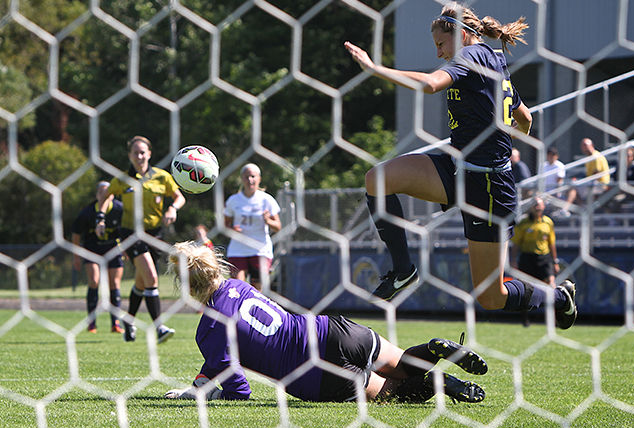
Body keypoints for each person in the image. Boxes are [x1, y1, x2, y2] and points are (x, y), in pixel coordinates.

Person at [344, 2, 577, 329]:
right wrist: (502, 129)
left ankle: (558, 299)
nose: (439, 53)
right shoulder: (493, 59)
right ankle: (403, 270)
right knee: (377, 179)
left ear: (463, 34)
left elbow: (429, 84)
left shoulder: (471, 56)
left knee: (491, 297)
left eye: (440, 44)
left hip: (489, 188)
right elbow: (525, 118)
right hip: (458, 168)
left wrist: (373, 68)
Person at [164, 241, 487, 403]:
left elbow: (239, 390)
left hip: (315, 374)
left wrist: (208, 394)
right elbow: (226, 353)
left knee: (397, 393)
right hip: (332, 330)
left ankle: (443, 384)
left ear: (187, 287)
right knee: (402, 362)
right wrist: (198, 384)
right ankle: (434, 348)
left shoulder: (209, 329)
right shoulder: (242, 286)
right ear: (214, 267)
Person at [95, 135, 186, 343]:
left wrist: (173, 208)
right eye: (135, 152)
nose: (139, 156)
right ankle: (159, 328)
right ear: (130, 155)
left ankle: (128, 321)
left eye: (142, 152)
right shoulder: (122, 180)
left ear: (149, 154)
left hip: (154, 235)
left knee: (142, 283)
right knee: (152, 278)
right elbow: (105, 196)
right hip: (130, 234)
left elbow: (180, 196)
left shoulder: (162, 177)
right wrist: (100, 219)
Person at [72, 181, 125, 334]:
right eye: (101, 192)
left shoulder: (119, 209)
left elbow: (127, 230)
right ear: (97, 194)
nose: (105, 194)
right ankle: (91, 323)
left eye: (108, 191)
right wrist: (76, 256)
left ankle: (115, 324)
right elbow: (76, 233)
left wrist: (127, 249)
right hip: (92, 250)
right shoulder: (87, 212)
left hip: (113, 249)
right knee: (94, 281)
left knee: (114, 284)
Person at [224, 163, 281, 291]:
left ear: (259, 178)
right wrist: (232, 230)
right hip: (238, 249)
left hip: (260, 249)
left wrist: (268, 221)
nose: (250, 180)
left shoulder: (267, 200)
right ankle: (237, 311)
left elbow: (278, 227)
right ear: (242, 179)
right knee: (237, 288)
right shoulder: (233, 200)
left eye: (253, 176)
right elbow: (224, 225)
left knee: (256, 291)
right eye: (246, 176)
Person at [511, 196, 559, 291]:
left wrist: (555, 262)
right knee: (525, 286)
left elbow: (551, 243)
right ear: (530, 207)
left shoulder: (548, 222)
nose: (537, 207)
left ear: (543, 206)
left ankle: (554, 303)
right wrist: (513, 260)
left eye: (539, 205)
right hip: (527, 257)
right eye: (534, 205)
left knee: (551, 283)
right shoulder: (523, 223)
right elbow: (516, 243)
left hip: (544, 257)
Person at [558, 138, 610, 215]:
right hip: (592, 183)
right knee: (573, 186)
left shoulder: (595, 156)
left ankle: (566, 209)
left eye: (586, 145)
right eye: (582, 146)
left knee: (573, 188)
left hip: (600, 184)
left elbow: (596, 175)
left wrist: (581, 182)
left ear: (592, 145)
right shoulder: (588, 158)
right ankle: (582, 207)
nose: (584, 148)